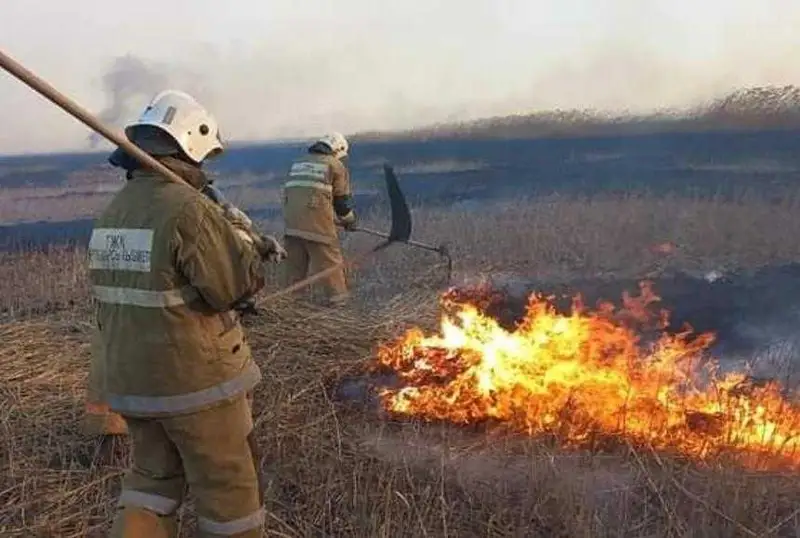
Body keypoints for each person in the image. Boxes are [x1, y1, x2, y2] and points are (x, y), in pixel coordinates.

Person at [88, 89, 286, 537]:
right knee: (228, 492)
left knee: (151, 485)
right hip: (194, 384)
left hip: (132, 382)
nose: (204, 170)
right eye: (203, 160)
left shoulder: (114, 213)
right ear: (189, 147)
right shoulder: (188, 210)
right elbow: (230, 288)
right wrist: (239, 239)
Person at [281, 132, 357, 306]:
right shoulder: (335, 166)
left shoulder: (298, 163)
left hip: (292, 225)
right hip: (318, 228)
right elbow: (341, 203)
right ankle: (341, 309)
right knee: (332, 268)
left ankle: (289, 309)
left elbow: (306, 195)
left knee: (294, 273)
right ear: (337, 149)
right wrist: (349, 220)